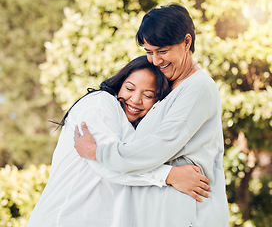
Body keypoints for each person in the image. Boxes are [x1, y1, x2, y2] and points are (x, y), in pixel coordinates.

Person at [74, 4, 229, 227]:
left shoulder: (199, 88)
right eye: (149, 52)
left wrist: (97, 151)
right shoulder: (166, 89)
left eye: (162, 51)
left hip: (187, 214)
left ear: (187, 42)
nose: (155, 61)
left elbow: (155, 148)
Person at [27, 55, 210, 227]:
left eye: (148, 95)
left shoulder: (139, 130)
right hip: (63, 219)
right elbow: (108, 165)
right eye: (129, 88)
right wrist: (171, 175)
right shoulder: (100, 104)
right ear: (120, 83)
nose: (136, 99)